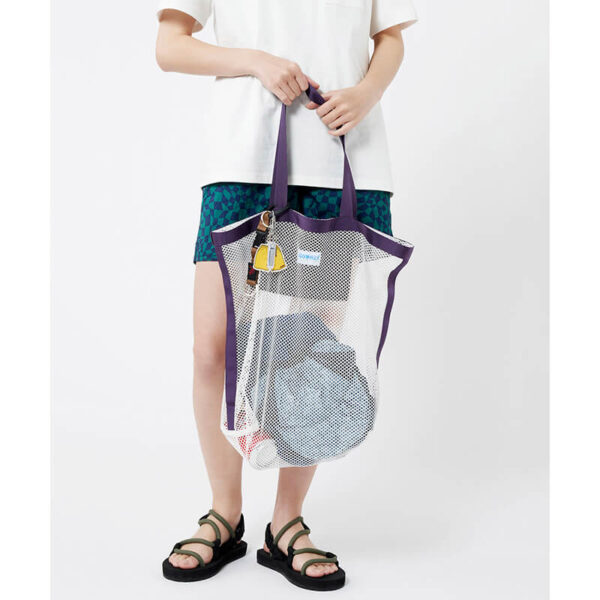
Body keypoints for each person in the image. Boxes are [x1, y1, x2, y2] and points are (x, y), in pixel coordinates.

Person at [155, 0, 417, 591]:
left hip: (339, 157)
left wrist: (367, 93)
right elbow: (170, 47)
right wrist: (256, 62)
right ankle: (225, 513)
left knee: (309, 354)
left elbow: (390, 35)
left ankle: (287, 521)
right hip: (243, 157)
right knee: (212, 348)